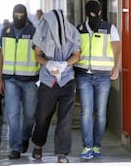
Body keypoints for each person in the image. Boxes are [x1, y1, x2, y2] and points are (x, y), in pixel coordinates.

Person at [31, 10, 81, 163]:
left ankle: (62, 152)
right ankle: (38, 145)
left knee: (65, 117)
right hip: (48, 82)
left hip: (66, 80)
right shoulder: (41, 33)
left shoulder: (72, 32)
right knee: (43, 116)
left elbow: (77, 55)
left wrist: (65, 64)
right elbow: (37, 55)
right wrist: (49, 63)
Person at [74, 0, 122, 160]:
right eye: (90, 13)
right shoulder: (79, 29)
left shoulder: (109, 28)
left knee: (100, 113)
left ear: (100, 12)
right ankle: (87, 147)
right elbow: (75, 52)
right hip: (83, 76)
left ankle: (96, 145)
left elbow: (117, 50)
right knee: (86, 112)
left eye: (95, 12)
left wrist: (116, 68)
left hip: (103, 77)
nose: (93, 15)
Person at [0, 4, 40, 159]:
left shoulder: (33, 31)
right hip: (10, 80)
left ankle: (24, 137)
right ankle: (15, 148)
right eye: (16, 14)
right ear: (12, 14)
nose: (19, 17)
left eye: (22, 15)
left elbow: (39, 54)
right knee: (13, 115)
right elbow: (1, 56)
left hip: (30, 80)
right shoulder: (6, 31)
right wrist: (1, 79)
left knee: (29, 115)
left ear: (25, 15)